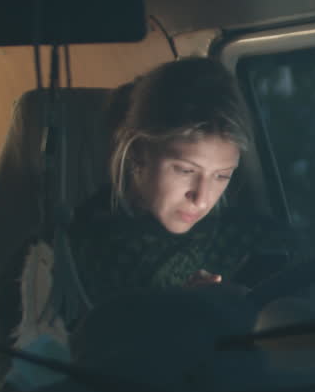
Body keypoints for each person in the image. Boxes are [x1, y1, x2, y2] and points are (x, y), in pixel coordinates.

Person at [67, 58, 289, 306]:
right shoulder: (74, 251)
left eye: (222, 176)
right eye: (185, 170)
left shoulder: (255, 239)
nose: (202, 199)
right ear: (138, 152)